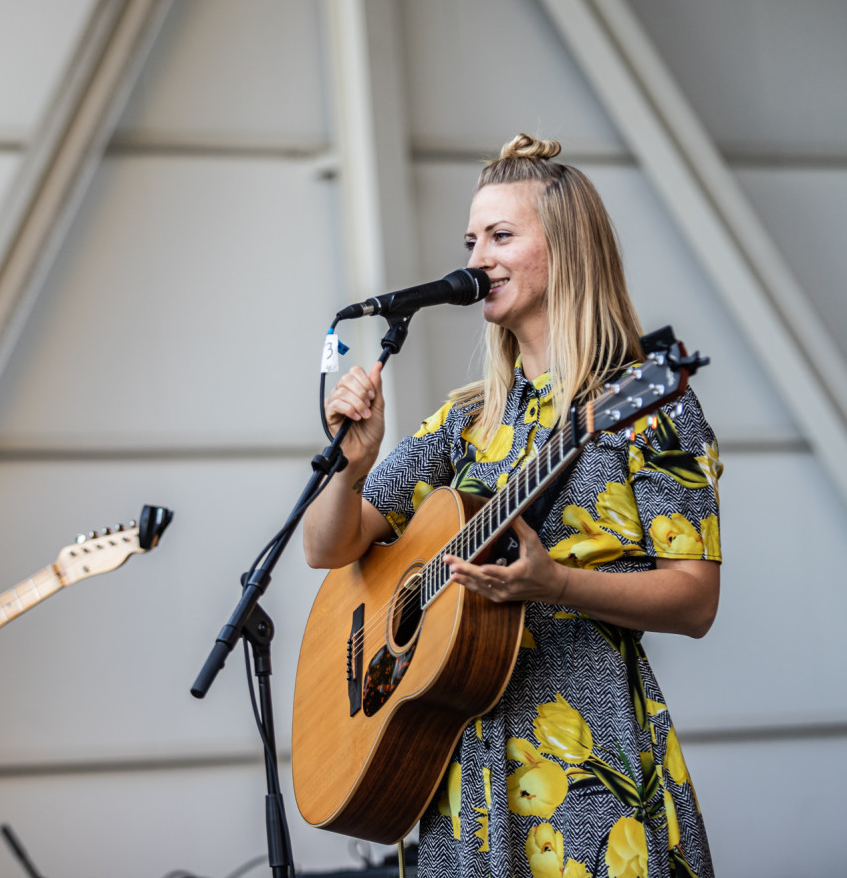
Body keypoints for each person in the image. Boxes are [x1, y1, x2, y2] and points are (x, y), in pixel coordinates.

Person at [304, 135, 721, 878]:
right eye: (471, 240)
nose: (475, 258)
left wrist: (555, 584)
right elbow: (326, 547)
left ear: (566, 251)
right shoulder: (463, 423)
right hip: (457, 777)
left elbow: (694, 602)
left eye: (500, 236)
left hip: (589, 777)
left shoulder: (645, 404)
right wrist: (351, 466)